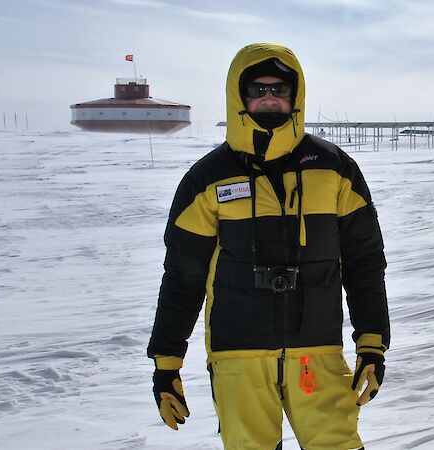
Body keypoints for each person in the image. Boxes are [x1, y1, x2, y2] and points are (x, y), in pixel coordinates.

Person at [147, 42, 390, 450]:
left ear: (295, 95)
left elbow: (364, 263)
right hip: (237, 357)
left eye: (279, 89)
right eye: (257, 90)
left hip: (318, 353)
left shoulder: (335, 169)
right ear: (238, 97)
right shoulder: (207, 178)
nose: (269, 99)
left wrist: (372, 342)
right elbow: (183, 277)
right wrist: (167, 363)